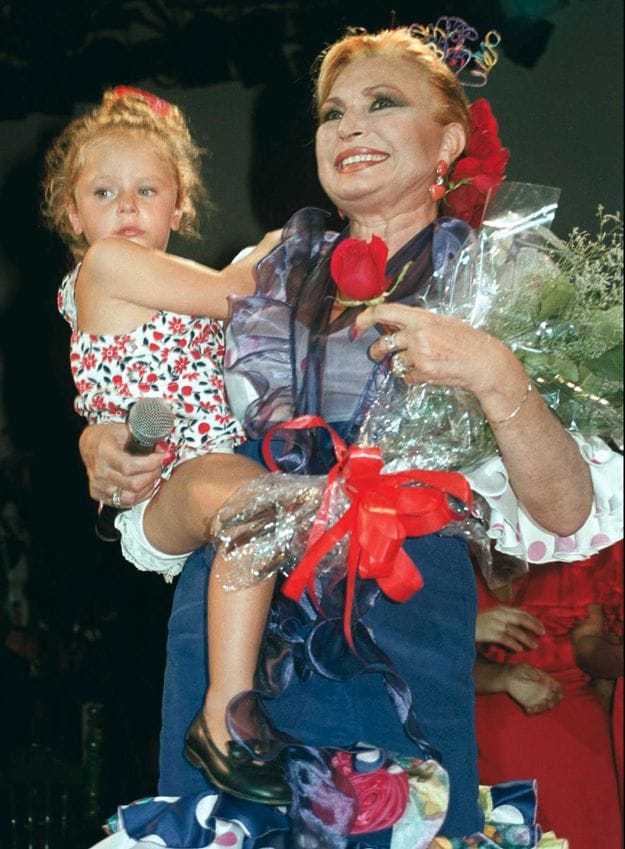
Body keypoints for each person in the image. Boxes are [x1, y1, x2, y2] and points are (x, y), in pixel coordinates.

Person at [77, 23, 622, 846]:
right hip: (231, 617)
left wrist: (490, 369)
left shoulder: (507, 278)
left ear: (448, 139)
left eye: (381, 103)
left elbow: (564, 508)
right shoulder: (263, 269)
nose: (348, 127)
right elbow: (145, 376)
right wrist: (104, 437)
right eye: (332, 113)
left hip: (398, 631)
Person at [43, 86, 290, 805]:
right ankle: (223, 714)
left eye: (146, 190)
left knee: (264, 508)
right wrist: (286, 241)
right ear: (74, 213)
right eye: (104, 191)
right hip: (171, 477)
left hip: (201, 463)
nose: (125, 208)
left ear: (177, 207)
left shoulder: (164, 282)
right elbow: (233, 290)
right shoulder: (107, 267)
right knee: (256, 504)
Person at [474, 555, 623, 847]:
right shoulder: (442, 544)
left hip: (576, 730)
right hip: (488, 727)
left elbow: (588, 646)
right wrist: (501, 676)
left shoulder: (572, 543)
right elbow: (417, 656)